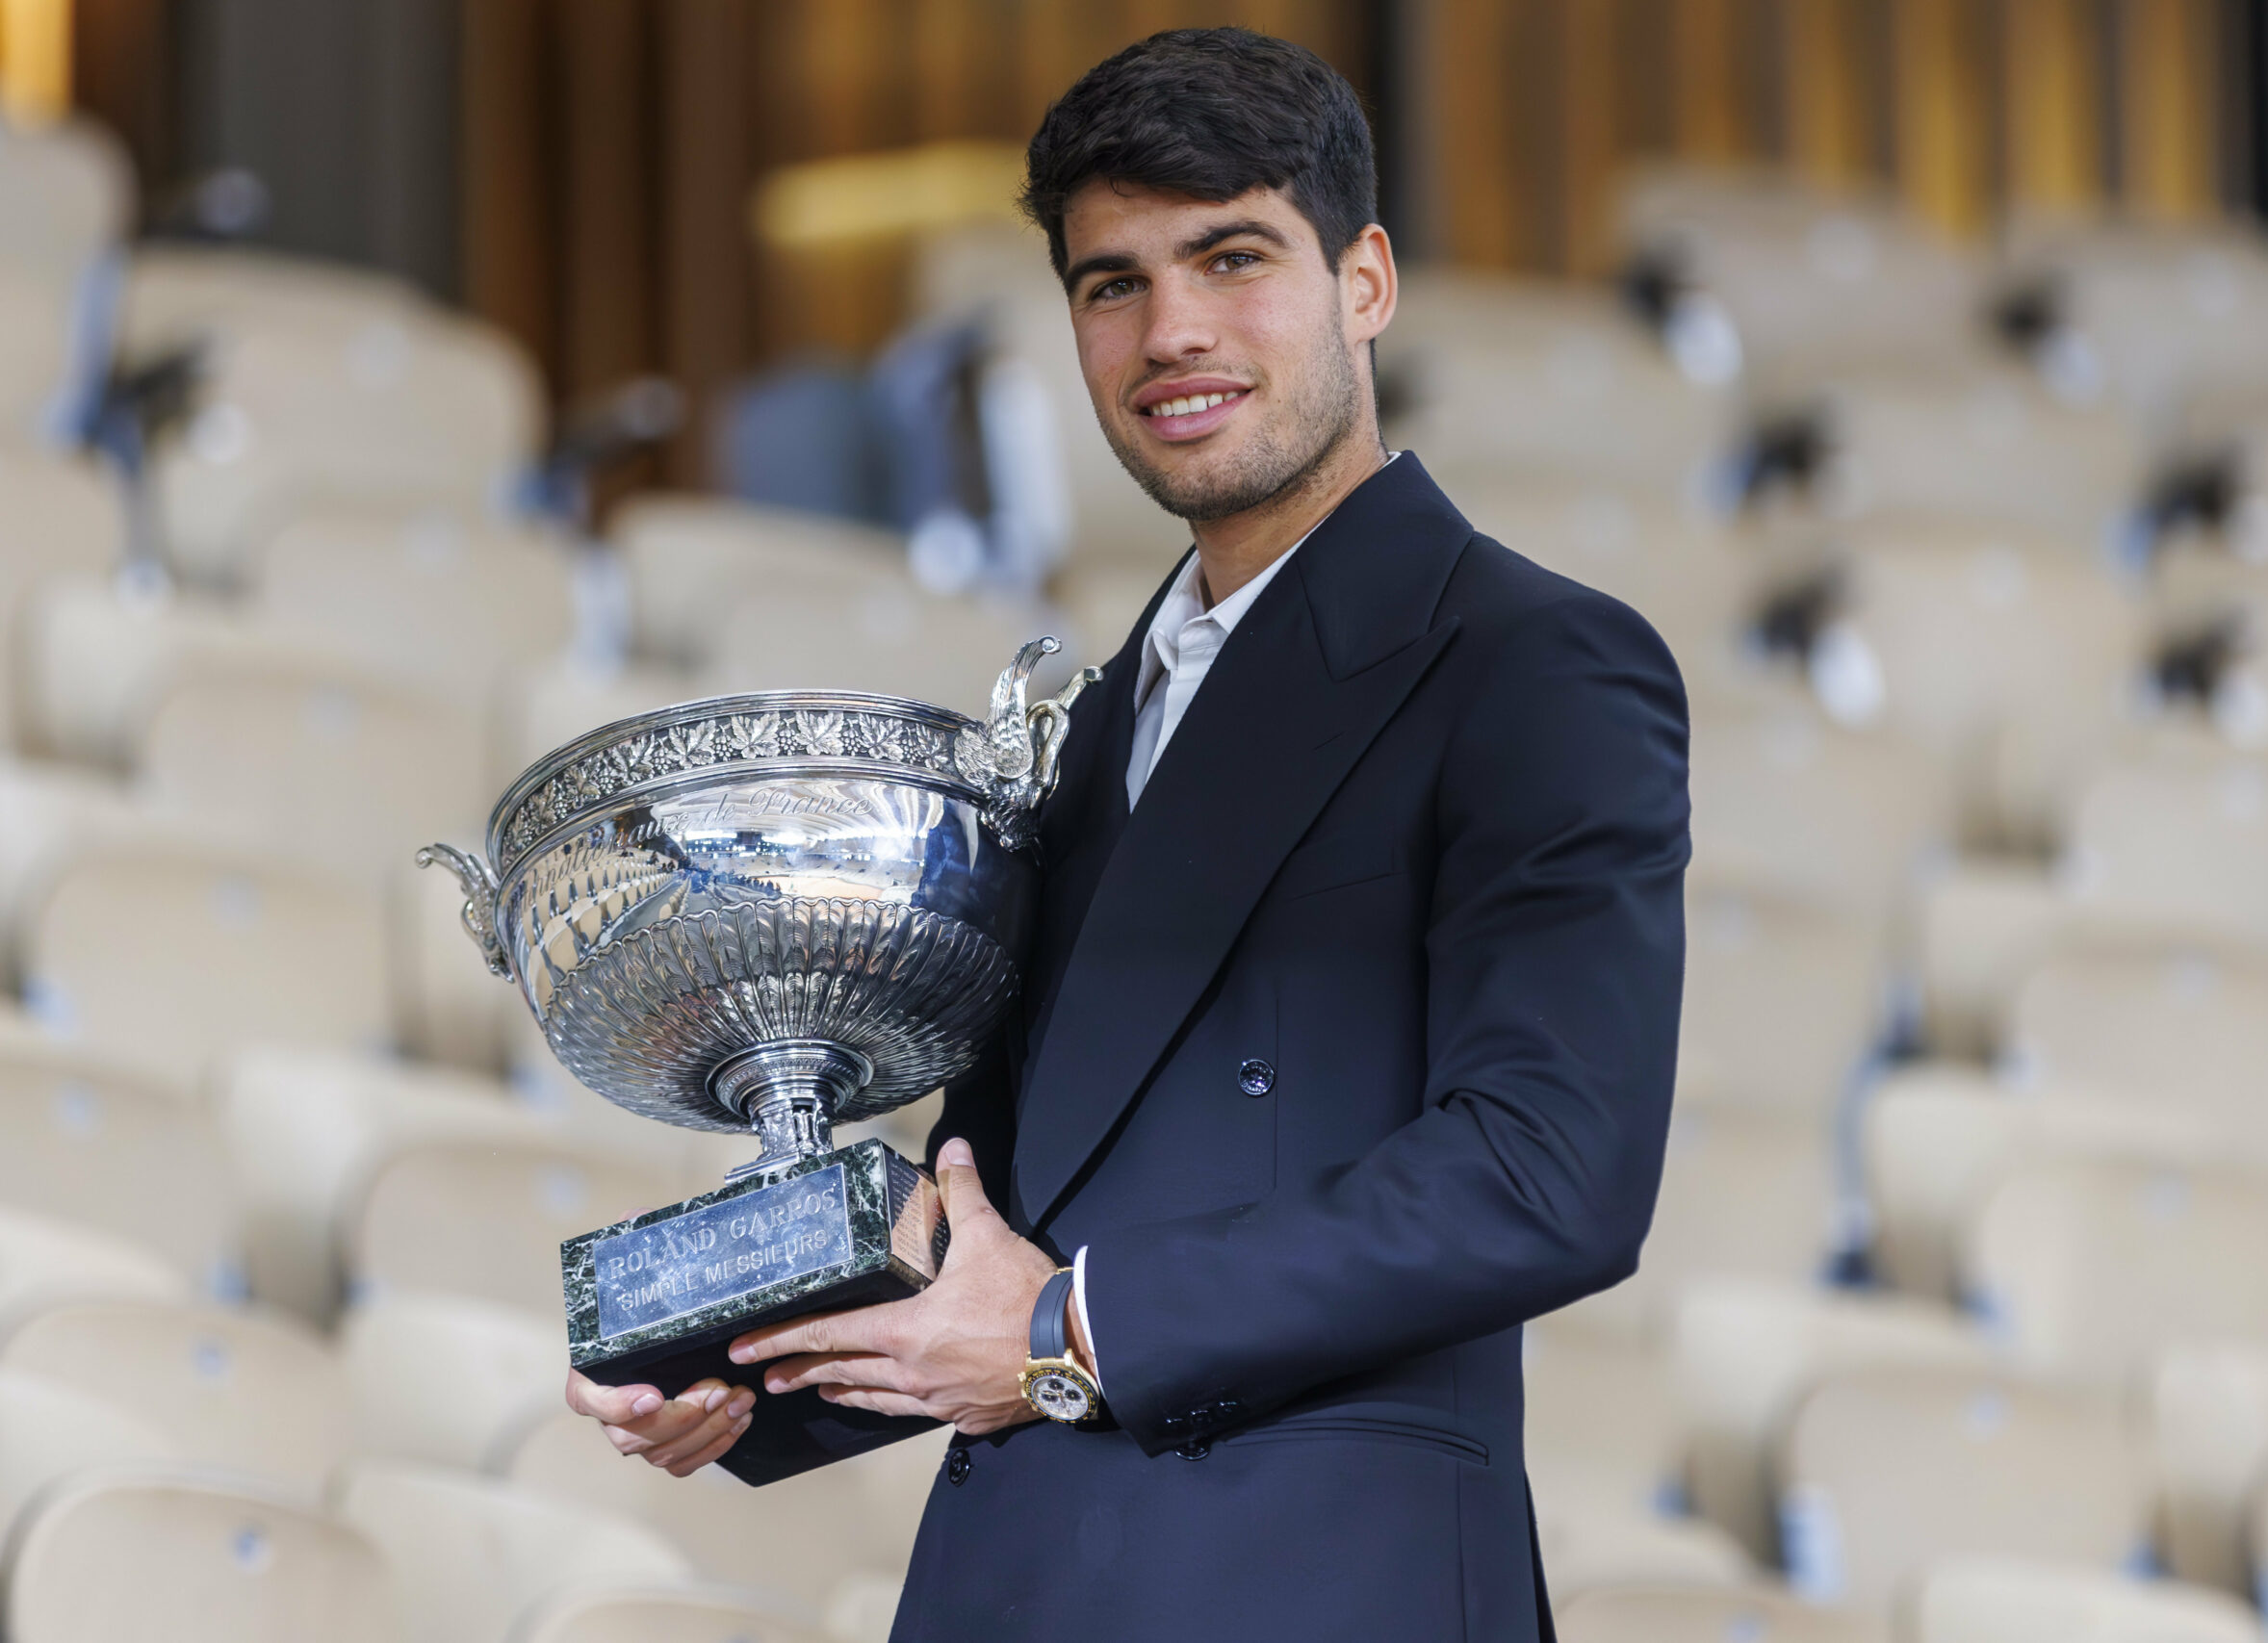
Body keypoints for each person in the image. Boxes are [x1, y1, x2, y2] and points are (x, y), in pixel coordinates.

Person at [565, 27, 1688, 1640]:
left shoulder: (1534, 661)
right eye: (1112, 285)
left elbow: (1548, 1173)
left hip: (1316, 1580)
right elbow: (999, 1203)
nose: (1173, 332)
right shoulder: (1096, 723)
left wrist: (1073, 1332)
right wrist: (752, 1360)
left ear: (1365, 281)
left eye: (1233, 258)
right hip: (1022, 1581)